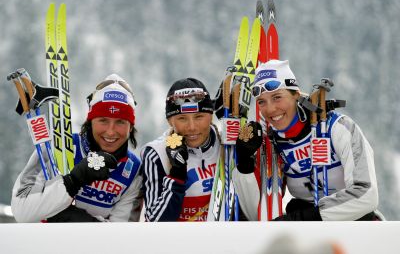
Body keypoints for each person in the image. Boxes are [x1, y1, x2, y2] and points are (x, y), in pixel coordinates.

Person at [233, 59, 381, 221]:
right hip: (309, 234)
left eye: (277, 97)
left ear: (295, 94)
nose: (270, 109)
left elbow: (367, 194)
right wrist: (244, 164)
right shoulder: (272, 144)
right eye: (262, 102)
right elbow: (258, 215)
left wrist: (308, 217)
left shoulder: (337, 128)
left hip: (357, 226)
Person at [11, 74, 143, 222]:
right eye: (103, 120)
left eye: (120, 122)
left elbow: (123, 234)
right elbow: (21, 211)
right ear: (90, 121)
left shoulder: (134, 171)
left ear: (130, 127)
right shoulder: (57, 147)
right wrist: (72, 181)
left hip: (91, 245)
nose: (111, 131)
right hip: (47, 243)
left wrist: (83, 222)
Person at [141, 78, 222, 221]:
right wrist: (177, 175)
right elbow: (153, 222)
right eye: (182, 118)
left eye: (199, 117)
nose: (191, 127)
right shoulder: (156, 154)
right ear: (170, 121)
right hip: (179, 241)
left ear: (211, 116)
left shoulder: (226, 145)